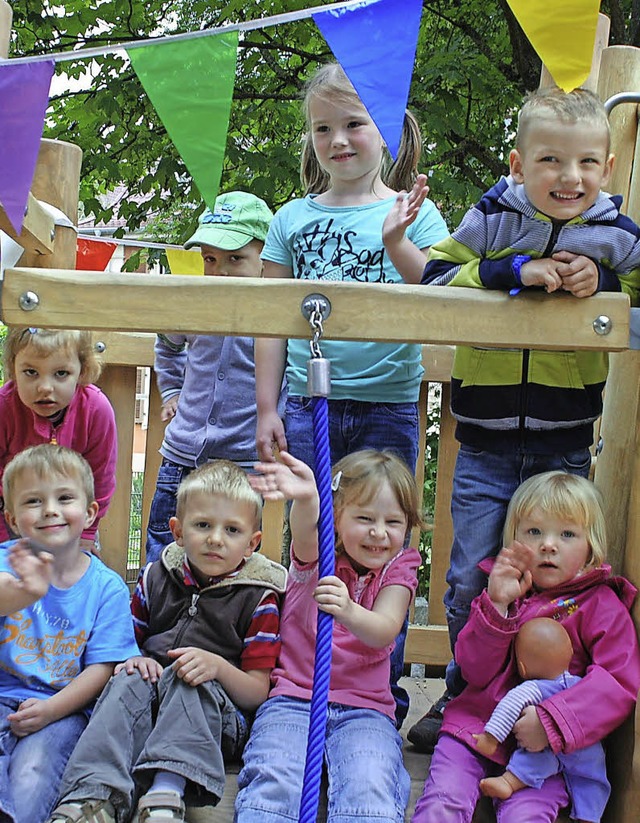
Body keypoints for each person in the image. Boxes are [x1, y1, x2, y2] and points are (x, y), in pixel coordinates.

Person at [383, 85, 640, 751]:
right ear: (519, 166)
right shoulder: (494, 216)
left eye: (586, 162)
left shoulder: (617, 235)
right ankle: (470, 694)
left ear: (607, 169)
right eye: (550, 160)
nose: (570, 176)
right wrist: (515, 270)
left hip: (563, 442)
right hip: (488, 439)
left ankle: (556, 693)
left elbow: (636, 289)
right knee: (473, 571)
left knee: (559, 576)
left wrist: (602, 286)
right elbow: (440, 277)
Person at [254, 62, 448, 724]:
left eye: (354, 124)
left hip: (390, 400)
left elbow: (436, 292)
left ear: (387, 130)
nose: (338, 139)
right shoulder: (292, 219)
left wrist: (398, 238)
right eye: (323, 128)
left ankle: (379, 694)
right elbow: (270, 319)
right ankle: (297, 673)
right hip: (313, 403)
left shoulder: (411, 213)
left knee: (385, 537)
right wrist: (265, 408)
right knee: (311, 537)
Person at [48, 459, 287, 823]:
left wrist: (219, 667)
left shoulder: (259, 598)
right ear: (177, 531)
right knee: (127, 677)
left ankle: (165, 794)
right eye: (203, 525)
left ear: (253, 543)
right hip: (147, 709)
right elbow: (123, 641)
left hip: (212, 719)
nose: (215, 539)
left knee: (190, 678)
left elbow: (256, 691)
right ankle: (92, 797)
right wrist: (132, 656)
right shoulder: (156, 576)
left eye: (232, 530)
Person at [411, 471, 640, 823]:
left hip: (546, 753)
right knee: (443, 801)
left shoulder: (601, 606)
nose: (549, 544)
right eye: (534, 532)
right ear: (513, 539)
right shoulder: (504, 593)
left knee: (528, 816)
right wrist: (497, 607)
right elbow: (472, 670)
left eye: (567, 534)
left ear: (591, 546)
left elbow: (617, 682)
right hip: (474, 731)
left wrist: (551, 722)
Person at [234, 449, 422, 823]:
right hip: (295, 698)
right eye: (365, 518)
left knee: (370, 784)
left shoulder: (400, 567)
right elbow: (305, 531)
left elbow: (385, 630)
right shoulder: (318, 556)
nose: (379, 532)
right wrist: (306, 498)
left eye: (393, 522)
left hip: (365, 708)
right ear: (336, 518)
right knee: (275, 776)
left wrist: (349, 610)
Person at [0, 444, 139, 823]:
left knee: (34, 772)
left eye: (64, 497)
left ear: (90, 511)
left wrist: (50, 710)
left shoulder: (106, 587)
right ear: (12, 519)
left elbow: (102, 668)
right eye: (33, 501)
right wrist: (23, 591)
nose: (49, 509)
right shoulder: (5, 560)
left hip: (62, 709)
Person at [145, 190, 284, 562]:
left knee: (230, 559)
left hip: (242, 461)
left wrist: (278, 419)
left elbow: (291, 375)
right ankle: (157, 618)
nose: (219, 270)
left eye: (235, 259)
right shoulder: (194, 304)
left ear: (265, 261)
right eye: (210, 258)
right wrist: (172, 389)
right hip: (182, 455)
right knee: (164, 548)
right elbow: (167, 344)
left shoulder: (274, 317)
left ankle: (223, 620)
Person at [473, 618, 609, 820]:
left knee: (532, 759)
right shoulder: (582, 685)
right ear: (571, 653)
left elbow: (508, 707)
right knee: (594, 780)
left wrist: (491, 738)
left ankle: (508, 782)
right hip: (586, 749)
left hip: (548, 749)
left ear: (522, 668)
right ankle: (589, 816)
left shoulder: (534, 687)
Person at [0, 328, 117, 553]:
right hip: (13, 517)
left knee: (75, 575)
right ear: (14, 369)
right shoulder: (5, 408)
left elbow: (101, 477)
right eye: (31, 372)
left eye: (61, 373)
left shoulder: (96, 410)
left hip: (72, 517)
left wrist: (86, 535)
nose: (45, 387)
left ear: (81, 371)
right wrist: (5, 543)